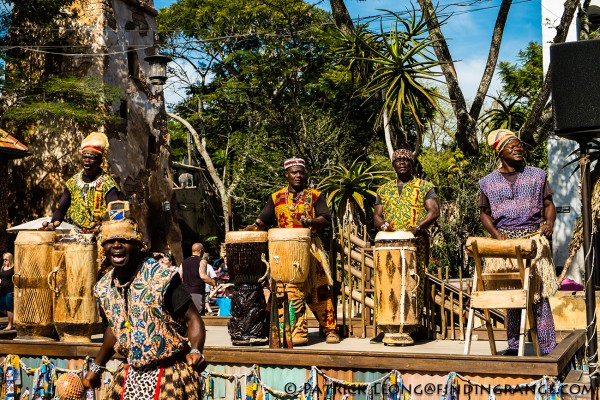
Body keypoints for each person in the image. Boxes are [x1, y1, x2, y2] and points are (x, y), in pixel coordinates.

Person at [82, 207, 206, 398]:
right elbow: (113, 330)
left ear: (138, 245)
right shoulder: (104, 288)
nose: (116, 245)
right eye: (110, 241)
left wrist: (196, 349)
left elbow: (193, 319)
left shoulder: (162, 279)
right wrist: (97, 367)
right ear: (103, 248)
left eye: (124, 240)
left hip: (170, 373)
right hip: (130, 374)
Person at [479, 129, 557, 355]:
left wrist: (549, 223)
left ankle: (547, 345)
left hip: (533, 240)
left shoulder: (537, 175)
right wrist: (495, 233)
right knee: (513, 296)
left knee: (538, 295)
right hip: (505, 244)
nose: (518, 148)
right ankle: (514, 345)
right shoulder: (487, 182)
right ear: (500, 151)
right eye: (512, 146)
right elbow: (484, 212)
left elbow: (548, 204)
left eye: (519, 145)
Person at [245, 157, 340, 345]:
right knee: (283, 290)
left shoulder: (314, 195)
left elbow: (327, 219)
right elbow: (263, 219)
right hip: (285, 253)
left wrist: (311, 221)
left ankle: (330, 329)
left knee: (319, 290)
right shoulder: (276, 197)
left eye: (301, 172)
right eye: (294, 172)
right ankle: (285, 330)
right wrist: (253, 227)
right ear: (286, 175)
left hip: (311, 250)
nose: (298, 175)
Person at [373, 148, 440, 345]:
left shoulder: (424, 186)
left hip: (415, 242)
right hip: (389, 244)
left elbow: (434, 210)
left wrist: (418, 227)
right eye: (398, 160)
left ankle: (412, 326)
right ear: (393, 164)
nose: (402, 163)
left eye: (406, 160)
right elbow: (377, 215)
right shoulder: (383, 189)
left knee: (413, 283)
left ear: (412, 164)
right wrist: (383, 225)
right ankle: (386, 327)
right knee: (386, 283)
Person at [41, 131, 120, 233]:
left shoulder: (108, 183)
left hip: (101, 234)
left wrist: (102, 228)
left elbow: (115, 211)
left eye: (91, 157)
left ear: (100, 161)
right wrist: (52, 224)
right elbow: (62, 208)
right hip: (75, 234)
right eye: (84, 157)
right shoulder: (72, 182)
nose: (87, 160)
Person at [179, 243, 217, 315]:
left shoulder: (183, 262)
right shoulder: (202, 261)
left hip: (185, 293)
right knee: (197, 316)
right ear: (201, 250)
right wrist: (213, 282)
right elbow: (203, 276)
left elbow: (180, 276)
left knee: (188, 315)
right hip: (197, 292)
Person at [0, 253, 14, 330]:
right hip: (2, 290)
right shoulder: (3, 267)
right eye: (4, 259)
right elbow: (1, 277)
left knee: (9, 308)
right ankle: (14, 318)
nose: (4, 261)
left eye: (6, 259)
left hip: (10, 290)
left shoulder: (13, 268)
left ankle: (10, 324)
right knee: (2, 308)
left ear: (10, 259)